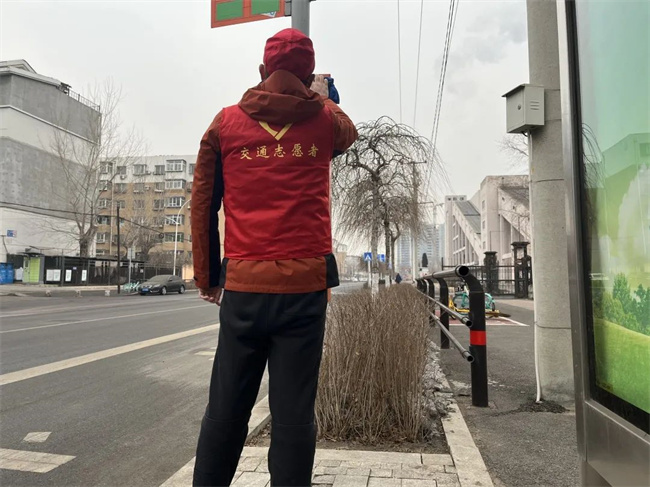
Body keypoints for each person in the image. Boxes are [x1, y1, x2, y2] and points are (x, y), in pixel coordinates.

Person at [191, 28, 357, 487]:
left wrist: (208, 277)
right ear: (309, 75)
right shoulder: (324, 121)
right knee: (293, 416)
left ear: (262, 70)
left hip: (244, 289)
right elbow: (349, 132)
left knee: (225, 408)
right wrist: (323, 95)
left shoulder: (225, 123)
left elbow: (203, 203)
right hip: (304, 292)